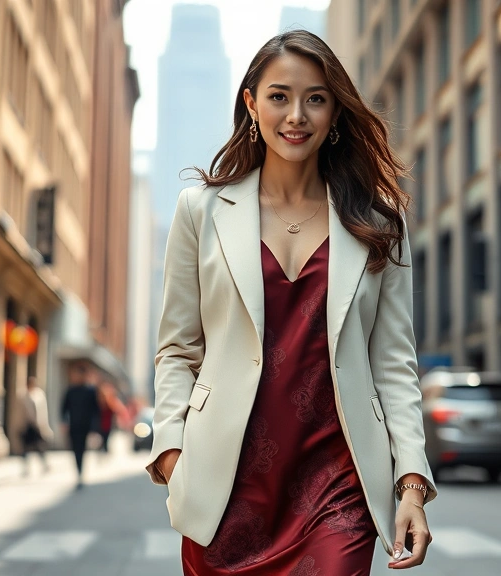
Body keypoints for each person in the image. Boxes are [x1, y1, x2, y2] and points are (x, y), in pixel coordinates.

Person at [148, 30, 436, 574]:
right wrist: (172, 452)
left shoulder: (378, 223)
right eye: (279, 96)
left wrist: (412, 484)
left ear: (334, 114)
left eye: (316, 98)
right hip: (225, 485)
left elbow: (394, 365)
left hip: (338, 486)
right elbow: (177, 349)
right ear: (252, 104)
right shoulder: (200, 212)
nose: (296, 115)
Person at [61, 364, 100, 488]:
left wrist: (94, 429)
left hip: (85, 426)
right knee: (75, 449)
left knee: (81, 449)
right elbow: (63, 408)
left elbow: (96, 410)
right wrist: (64, 422)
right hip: (73, 425)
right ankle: (78, 471)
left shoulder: (90, 391)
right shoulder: (70, 390)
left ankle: (80, 472)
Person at [21, 376, 54, 476]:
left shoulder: (39, 395)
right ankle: (26, 468)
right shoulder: (24, 395)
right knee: (26, 447)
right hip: (28, 425)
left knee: (40, 446)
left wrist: (44, 425)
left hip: (38, 425)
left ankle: (44, 464)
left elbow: (43, 411)